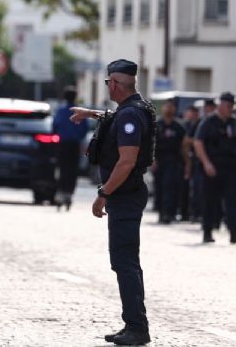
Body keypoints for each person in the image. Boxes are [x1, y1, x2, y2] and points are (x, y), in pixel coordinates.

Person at [69, 59, 153, 346]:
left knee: (124, 262)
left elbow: (127, 161)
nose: (108, 87)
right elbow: (114, 118)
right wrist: (90, 113)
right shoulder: (133, 110)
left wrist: (103, 193)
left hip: (125, 196)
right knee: (127, 261)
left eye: (108, 82)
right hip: (128, 194)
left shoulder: (130, 116)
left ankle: (137, 327)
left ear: (115, 84)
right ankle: (134, 323)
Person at [193, 92, 236, 244]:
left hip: (231, 167)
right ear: (221, 106)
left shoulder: (234, 122)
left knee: (232, 201)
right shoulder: (208, 122)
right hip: (213, 167)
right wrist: (206, 163)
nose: (232, 109)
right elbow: (198, 143)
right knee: (210, 201)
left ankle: (234, 232)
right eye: (229, 106)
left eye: (233, 106)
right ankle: (207, 232)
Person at [52, 86, 88, 211]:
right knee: (73, 170)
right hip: (74, 144)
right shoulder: (79, 111)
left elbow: (55, 126)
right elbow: (84, 130)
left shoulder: (60, 111)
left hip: (62, 144)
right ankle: (69, 194)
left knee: (62, 169)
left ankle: (60, 193)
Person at [154, 99, 187, 224]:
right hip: (159, 160)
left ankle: (169, 213)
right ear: (163, 108)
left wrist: (186, 163)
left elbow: (184, 146)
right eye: (167, 106)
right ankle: (161, 212)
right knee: (160, 187)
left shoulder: (179, 126)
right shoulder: (157, 125)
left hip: (173, 161)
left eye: (171, 107)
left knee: (170, 186)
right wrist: (152, 160)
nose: (169, 109)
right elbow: (150, 144)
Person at [182, 105, 203, 222]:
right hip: (188, 159)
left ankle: (197, 213)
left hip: (197, 160)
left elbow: (194, 141)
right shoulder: (187, 124)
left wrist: (190, 141)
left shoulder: (200, 124)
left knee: (198, 188)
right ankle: (190, 212)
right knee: (189, 188)